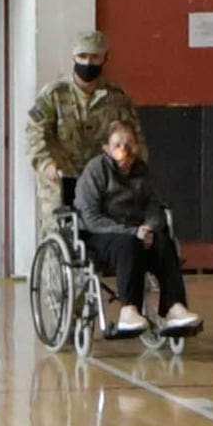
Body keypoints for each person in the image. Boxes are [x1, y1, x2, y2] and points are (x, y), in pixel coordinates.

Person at [66, 116, 195, 341]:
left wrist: (149, 227)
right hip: (99, 235)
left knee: (163, 242)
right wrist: (132, 233)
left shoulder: (141, 171)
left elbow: (155, 205)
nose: (124, 149)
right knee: (128, 244)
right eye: (117, 145)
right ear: (106, 148)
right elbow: (91, 217)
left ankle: (174, 307)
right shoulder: (96, 170)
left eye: (129, 144)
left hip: (137, 232)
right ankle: (129, 311)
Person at [24, 29, 140, 221]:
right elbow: (35, 134)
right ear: (73, 57)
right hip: (61, 179)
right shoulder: (54, 95)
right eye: (82, 56)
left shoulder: (117, 97)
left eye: (94, 57)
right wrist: (47, 165)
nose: (87, 63)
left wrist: (129, 165)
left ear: (105, 58)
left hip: (104, 179)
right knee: (61, 229)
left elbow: (135, 137)